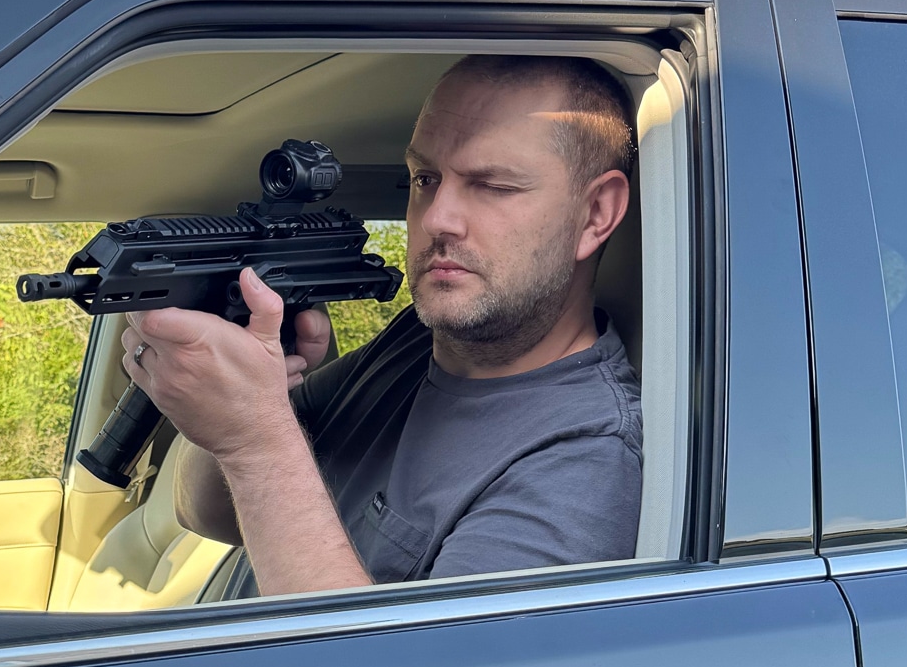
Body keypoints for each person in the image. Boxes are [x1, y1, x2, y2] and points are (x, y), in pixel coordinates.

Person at [120, 55, 642, 597]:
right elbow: (206, 512)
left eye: (492, 185)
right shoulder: (416, 344)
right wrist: (253, 403)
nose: (436, 218)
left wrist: (258, 442)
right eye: (425, 178)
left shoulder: (585, 459)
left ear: (596, 213)